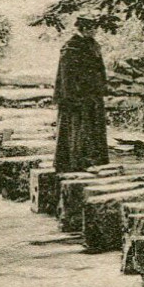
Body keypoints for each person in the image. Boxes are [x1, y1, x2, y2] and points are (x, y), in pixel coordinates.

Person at [53, 15, 110, 173]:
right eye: (92, 28)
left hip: (91, 94)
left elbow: (99, 69)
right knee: (76, 128)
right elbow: (66, 76)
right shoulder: (71, 47)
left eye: (95, 28)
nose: (95, 31)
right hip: (75, 95)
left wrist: (100, 88)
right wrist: (72, 97)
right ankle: (75, 163)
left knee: (92, 126)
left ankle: (92, 160)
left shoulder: (92, 44)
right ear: (83, 28)